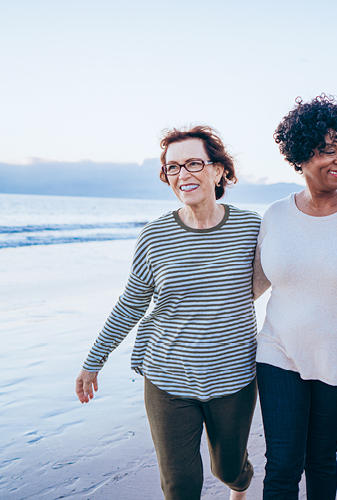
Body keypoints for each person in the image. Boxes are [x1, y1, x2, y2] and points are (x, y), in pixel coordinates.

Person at [75, 126, 260, 500]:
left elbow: (283, 276)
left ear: (220, 171)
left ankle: (238, 486)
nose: (183, 175)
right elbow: (131, 303)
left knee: (229, 469)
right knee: (180, 486)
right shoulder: (154, 236)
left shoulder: (252, 227)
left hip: (233, 375)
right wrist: (93, 360)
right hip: (167, 376)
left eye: (193, 163)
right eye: (172, 168)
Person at [252, 94, 337, 499]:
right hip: (278, 351)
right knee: (281, 462)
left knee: (320, 456)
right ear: (300, 156)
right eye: (328, 151)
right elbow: (251, 287)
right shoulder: (275, 216)